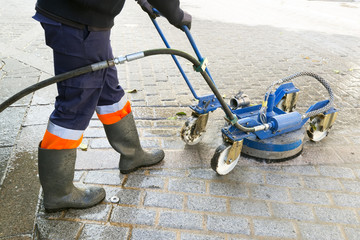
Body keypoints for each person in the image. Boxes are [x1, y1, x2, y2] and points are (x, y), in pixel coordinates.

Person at [33, 0, 192, 212]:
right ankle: (59, 192)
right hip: (79, 22)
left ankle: (132, 153)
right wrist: (176, 14)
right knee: (76, 102)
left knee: (108, 90)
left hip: (83, 19)